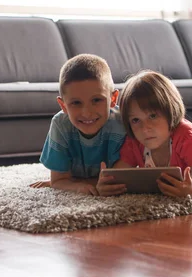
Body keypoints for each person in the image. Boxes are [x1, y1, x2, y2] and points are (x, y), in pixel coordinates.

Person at [96, 70, 192, 198]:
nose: (145, 128)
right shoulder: (134, 140)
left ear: (170, 111)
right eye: (136, 120)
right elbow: (119, 176)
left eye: (153, 116)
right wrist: (107, 184)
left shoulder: (188, 138)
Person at [35, 53, 126, 195]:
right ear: (63, 105)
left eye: (96, 100)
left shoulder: (122, 123)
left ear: (113, 98)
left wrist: (71, 182)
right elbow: (58, 181)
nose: (87, 113)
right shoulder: (61, 125)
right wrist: (76, 186)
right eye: (76, 103)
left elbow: (122, 177)